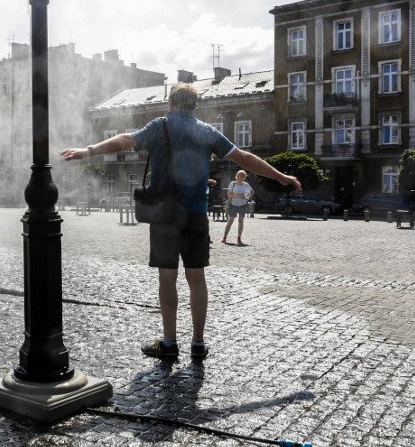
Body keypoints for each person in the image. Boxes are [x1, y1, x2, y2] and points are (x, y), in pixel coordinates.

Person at [60, 83, 301, 360]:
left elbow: (126, 140)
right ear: (195, 106)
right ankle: (198, 343)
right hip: (196, 214)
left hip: (165, 214)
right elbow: (244, 158)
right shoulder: (206, 131)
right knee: (196, 277)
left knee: (167, 276)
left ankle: (169, 342)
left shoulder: (159, 126)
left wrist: (89, 150)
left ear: (171, 104)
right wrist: (282, 177)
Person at [221, 170, 253, 245]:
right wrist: (236, 195)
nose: (240, 176)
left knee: (241, 221)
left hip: (243, 205)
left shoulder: (246, 185)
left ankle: (239, 238)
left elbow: (252, 192)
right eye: (239, 175)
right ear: (237, 176)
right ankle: (224, 237)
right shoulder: (233, 183)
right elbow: (228, 195)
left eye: (242, 175)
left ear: (244, 177)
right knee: (230, 221)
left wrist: (247, 198)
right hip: (233, 204)